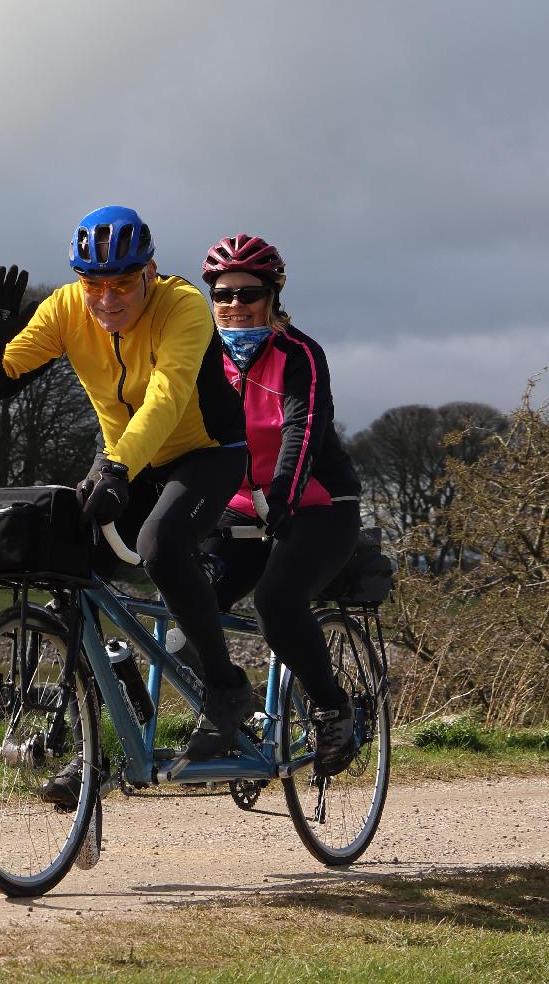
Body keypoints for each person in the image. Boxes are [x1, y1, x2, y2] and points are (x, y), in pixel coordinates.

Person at [0, 205, 251, 793]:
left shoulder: (184, 306)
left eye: (122, 282)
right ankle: (96, 742)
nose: (106, 298)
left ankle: (227, 688)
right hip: (125, 454)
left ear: (149, 271)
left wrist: (120, 466)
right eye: (93, 283)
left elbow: (168, 398)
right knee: (66, 557)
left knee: (160, 543)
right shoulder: (67, 309)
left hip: (206, 452)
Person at [196, 234, 365, 775]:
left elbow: (302, 430)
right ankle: (232, 708)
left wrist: (284, 502)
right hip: (241, 504)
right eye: (222, 294)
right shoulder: (201, 357)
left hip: (317, 505)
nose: (235, 306)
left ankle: (332, 706)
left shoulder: (300, 354)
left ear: (273, 295)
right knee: (186, 607)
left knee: (276, 602)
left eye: (249, 294)